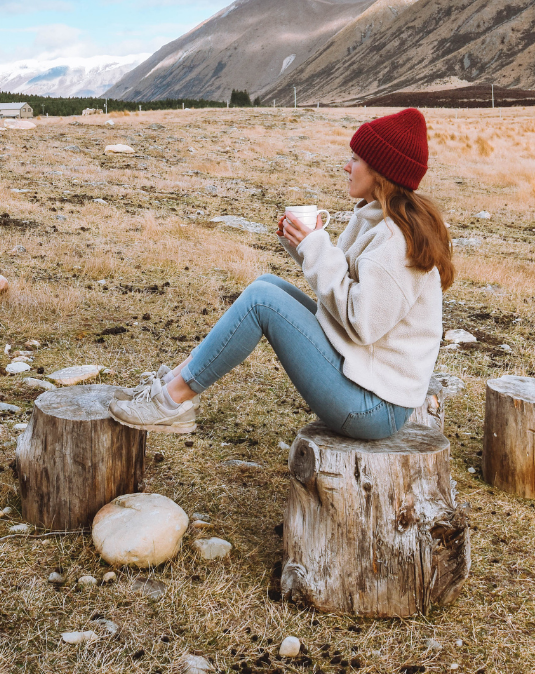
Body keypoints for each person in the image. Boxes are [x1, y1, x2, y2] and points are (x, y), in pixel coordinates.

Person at [108, 107, 453, 438]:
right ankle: (170, 384)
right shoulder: (374, 217)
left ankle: (172, 403)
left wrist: (316, 246)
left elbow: (361, 322)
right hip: (365, 379)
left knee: (262, 300)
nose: (346, 166)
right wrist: (302, 245)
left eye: (356, 159)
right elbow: (342, 285)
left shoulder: (396, 241)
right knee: (267, 285)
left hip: (375, 408)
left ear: (380, 170)